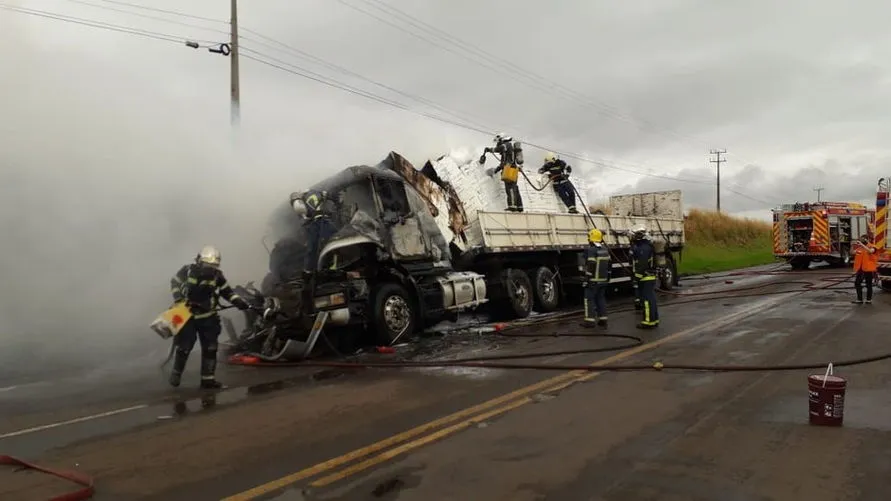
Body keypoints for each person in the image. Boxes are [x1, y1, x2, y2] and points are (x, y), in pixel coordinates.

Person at [169, 245, 253, 389]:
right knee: (184, 347)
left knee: (210, 348)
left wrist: (238, 302)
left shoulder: (217, 276)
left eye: (213, 265)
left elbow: (227, 292)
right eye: (208, 265)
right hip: (187, 316)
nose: (210, 268)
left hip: (208, 318)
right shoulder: (187, 271)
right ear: (200, 261)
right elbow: (175, 282)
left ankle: (207, 380)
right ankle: (176, 373)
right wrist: (178, 298)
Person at [291, 189, 338, 278]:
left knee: (314, 247)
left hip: (319, 222)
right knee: (333, 242)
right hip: (325, 221)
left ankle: (309, 271)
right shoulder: (318, 192)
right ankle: (333, 267)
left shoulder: (299, 202)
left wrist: (307, 271)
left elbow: (304, 216)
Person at [480, 132, 525, 212]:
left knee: (510, 188)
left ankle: (512, 206)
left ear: (501, 139)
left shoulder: (505, 145)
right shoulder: (509, 146)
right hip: (513, 169)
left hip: (509, 169)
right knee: (515, 188)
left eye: (498, 142)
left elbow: (502, 161)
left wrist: (489, 150)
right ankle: (519, 207)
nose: (498, 143)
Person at [630, 227, 659, 329]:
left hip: (645, 277)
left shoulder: (643, 248)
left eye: (634, 235)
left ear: (639, 236)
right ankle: (654, 319)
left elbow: (641, 265)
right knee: (651, 299)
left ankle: (648, 322)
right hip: (648, 276)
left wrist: (636, 278)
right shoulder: (646, 246)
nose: (632, 237)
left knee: (646, 300)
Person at [582, 228, 610, 327]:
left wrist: (587, 279)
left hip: (593, 280)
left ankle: (589, 321)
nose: (588, 239)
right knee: (601, 299)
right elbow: (609, 265)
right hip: (603, 280)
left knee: (589, 299)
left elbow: (591, 264)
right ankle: (603, 319)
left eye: (589, 237)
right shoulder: (605, 250)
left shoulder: (591, 250)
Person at [852, 235, 878, 304]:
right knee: (857, 283)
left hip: (869, 269)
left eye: (862, 239)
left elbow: (870, 251)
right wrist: (852, 246)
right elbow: (852, 252)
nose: (861, 240)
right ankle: (859, 299)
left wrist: (861, 244)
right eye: (860, 239)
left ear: (867, 239)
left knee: (868, 284)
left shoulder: (873, 247)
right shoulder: (860, 248)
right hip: (860, 269)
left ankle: (869, 300)